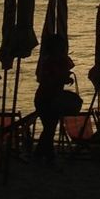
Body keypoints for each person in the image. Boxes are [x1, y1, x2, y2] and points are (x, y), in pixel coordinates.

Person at [33, 33, 80, 162]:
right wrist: (62, 78)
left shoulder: (57, 62)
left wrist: (64, 77)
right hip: (45, 99)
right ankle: (42, 154)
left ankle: (46, 154)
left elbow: (58, 76)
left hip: (51, 99)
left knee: (50, 127)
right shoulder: (50, 62)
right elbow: (49, 80)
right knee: (49, 128)